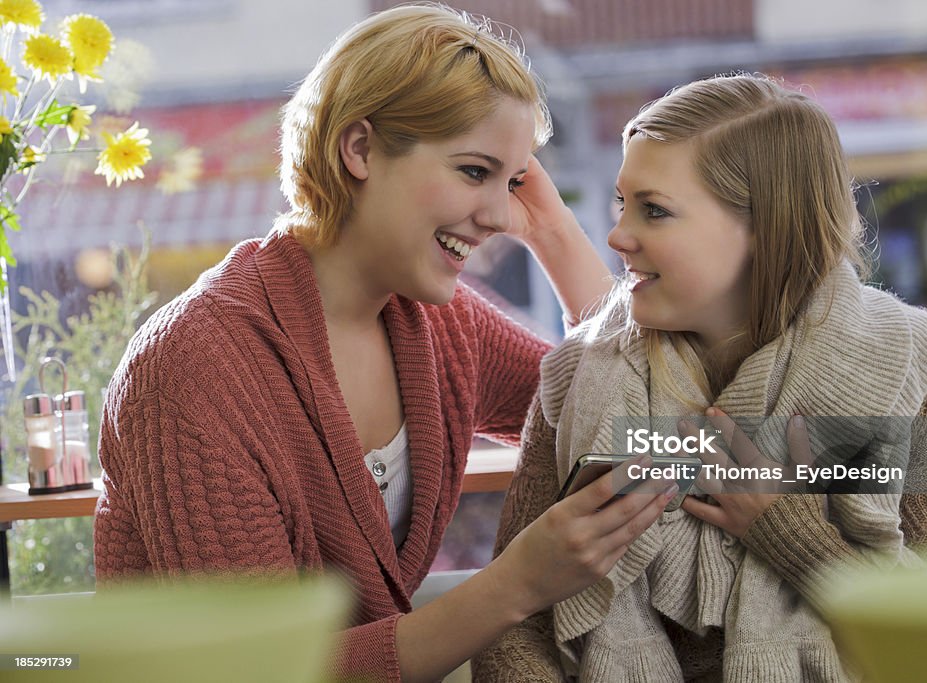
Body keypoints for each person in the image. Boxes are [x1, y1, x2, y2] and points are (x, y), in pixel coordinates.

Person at [92, 5, 678, 682]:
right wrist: (515, 584)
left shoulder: (440, 326)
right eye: (472, 171)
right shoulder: (194, 368)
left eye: (512, 181)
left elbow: (638, 420)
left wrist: (557, 236)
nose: (496, 215)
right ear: (361, 149)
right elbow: (264, 667)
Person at [473, 74, 927, 681]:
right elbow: (513, 628)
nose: (617, 235)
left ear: (766, 227)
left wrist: (783, 529)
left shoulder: (911, 366)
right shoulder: (577, 374)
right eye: (622, 203)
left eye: (655, 210)